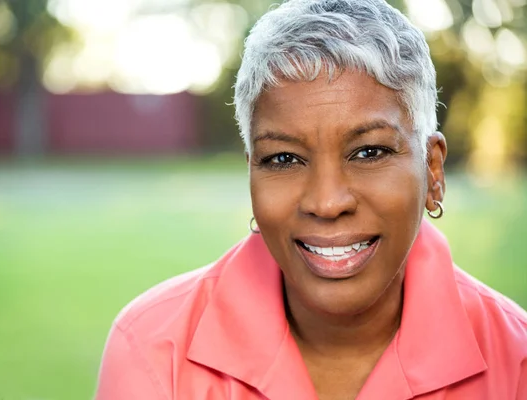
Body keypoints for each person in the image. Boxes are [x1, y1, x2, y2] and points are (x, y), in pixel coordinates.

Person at [95, 0, 527, 398]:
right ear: (251, 172)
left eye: (369, 152)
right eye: (283, 158)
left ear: (432, 171)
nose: (326, 201)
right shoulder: (154, 349)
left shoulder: (516, 360)